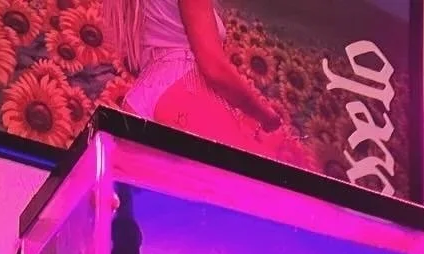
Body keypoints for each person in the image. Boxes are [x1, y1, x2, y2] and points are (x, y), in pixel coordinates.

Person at [101, 0, 312, 165]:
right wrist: (266, 117)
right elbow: (214, 68)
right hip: (184, 83)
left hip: (139, 99)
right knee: (237, 199)